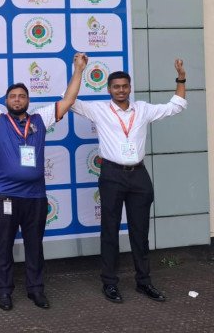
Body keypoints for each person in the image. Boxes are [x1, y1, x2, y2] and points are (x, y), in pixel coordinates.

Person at [0, 52, 88, 311]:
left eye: (22, 96)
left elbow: (68, 100)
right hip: (5, 196)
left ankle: (36, 289)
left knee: (34, 246)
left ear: (28, 100)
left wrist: (78, 69)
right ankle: (4, 291)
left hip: (35, 197)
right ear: (6, 101)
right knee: (4, 245)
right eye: (13, 96)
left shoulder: (40, 119)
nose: (17, 99)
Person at [70, 59, 187, 304]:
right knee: (110, 231)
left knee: (140, 232)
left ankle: (144, 282)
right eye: (116, 86)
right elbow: (69, 100)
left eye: (124, 86)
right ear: (109, 89)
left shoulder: (142, 109)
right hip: (112, 175)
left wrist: (181, 78)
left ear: (130, 88)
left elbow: (175, 106)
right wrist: (78, 70)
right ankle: (109, 283)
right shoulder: (99, 109)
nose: (121, 90)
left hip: (139, 176)